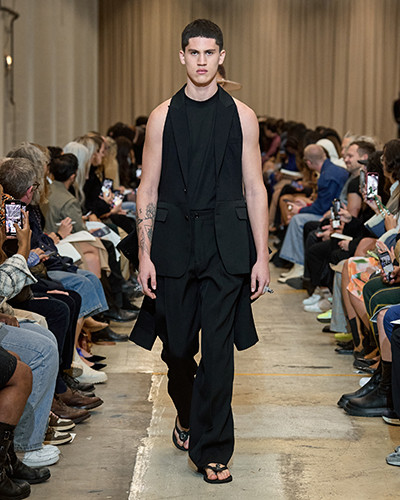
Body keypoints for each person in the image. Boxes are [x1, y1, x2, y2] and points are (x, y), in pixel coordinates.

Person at [131, 19, 270, 484]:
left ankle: (211, 450)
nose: (202, 61)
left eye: (210, 53)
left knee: (219, 353)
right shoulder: (161, 116)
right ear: (182, 57)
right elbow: (147, 189)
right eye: (194, 52)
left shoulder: (243, 116)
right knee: (176, 349)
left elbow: (254, 187)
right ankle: (188, 413)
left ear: (221, 57)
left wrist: (262, 255)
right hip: (172, 245)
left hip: (226, 247)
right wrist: (144, 254)